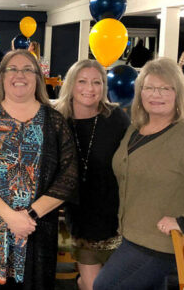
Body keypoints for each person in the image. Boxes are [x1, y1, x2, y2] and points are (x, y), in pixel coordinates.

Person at [94, 58, 184, 290]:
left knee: (104, 286)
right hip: (133, 236)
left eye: (164, 88)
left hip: (161, 245)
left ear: (177, 93)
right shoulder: (135, 129)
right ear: (140, 93)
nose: (155, 94)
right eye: (149, 87)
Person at [0, 49, 79, 290]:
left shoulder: (54, 121)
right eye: (13, 69)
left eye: (28, 69)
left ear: (37, 77)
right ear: (1, 77)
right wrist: (9, 216)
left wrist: (29, 216)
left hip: (37, 227)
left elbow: (68, 176)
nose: (20, 75)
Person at [55, 59, 130, 290]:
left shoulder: (116, 118)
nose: (90, 88)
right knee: (94, 286)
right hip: (79, 214)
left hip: (114, 214)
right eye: (83, 81)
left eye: (97, 82)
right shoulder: (57, 119)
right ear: (71, 84)